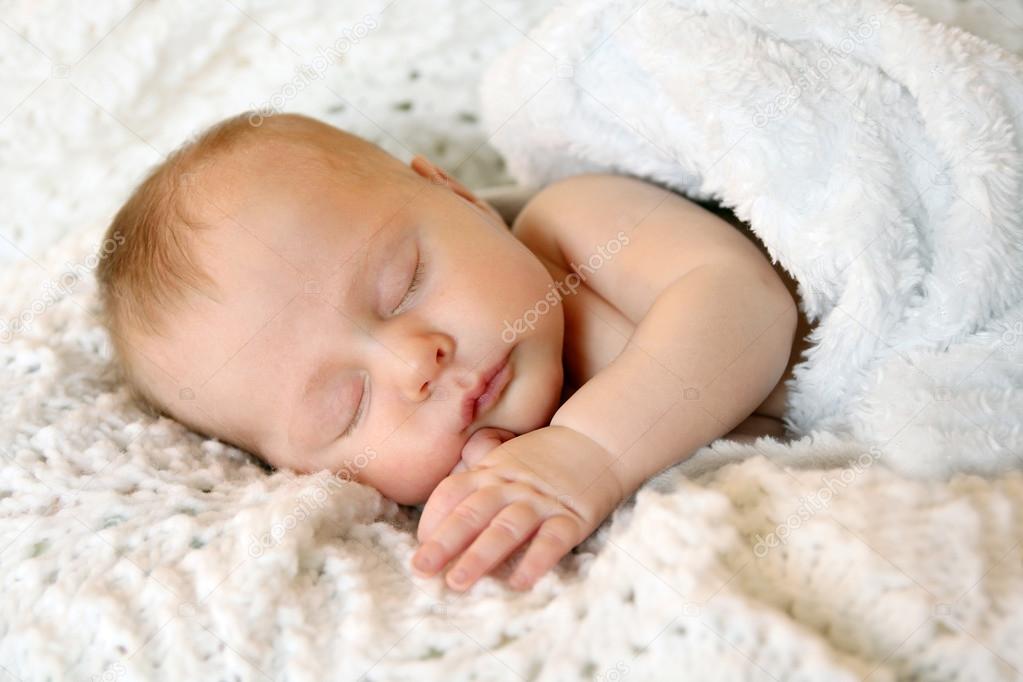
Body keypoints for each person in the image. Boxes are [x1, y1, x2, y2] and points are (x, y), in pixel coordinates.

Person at [96, 112, 806, 592]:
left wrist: (586, 453)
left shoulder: (574, 231)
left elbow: (744, 307)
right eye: (349, 407)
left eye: (403, 285)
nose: (414, 364)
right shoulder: (479, 482)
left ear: (458, 197)